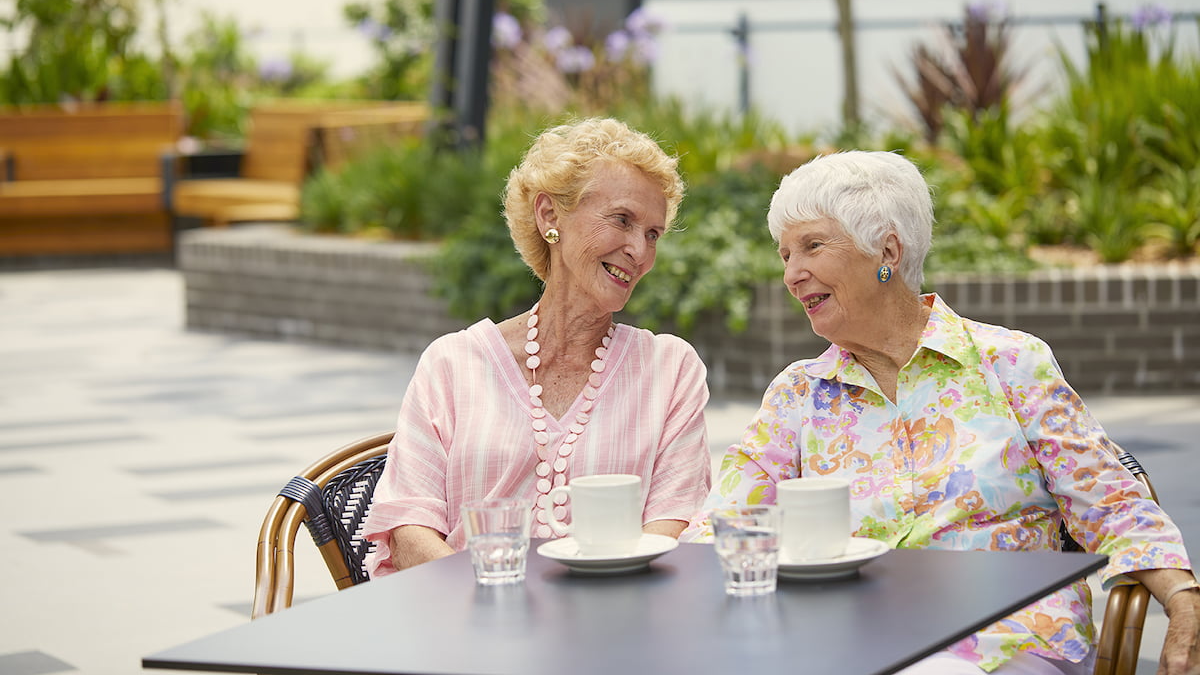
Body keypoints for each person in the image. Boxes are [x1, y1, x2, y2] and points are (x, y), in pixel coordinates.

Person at [686, 150, 1199, 675]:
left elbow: (1110, 501)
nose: (793, 275)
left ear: (886, 249)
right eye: (785, 254)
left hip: (1006, 644)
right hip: (846, 646)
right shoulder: (798, 394)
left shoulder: (1010, 362)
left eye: (812, 246)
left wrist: (1182, 598)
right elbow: (724, 524)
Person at [361, 117, 712, 576]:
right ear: (550, 216)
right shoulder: (453, 364)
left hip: (613, 624)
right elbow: (408, 528)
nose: (639, 251)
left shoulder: (671, 369)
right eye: (622, 220)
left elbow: (674, 527)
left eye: (652, 234)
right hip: (469, 624)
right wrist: (492, 601)